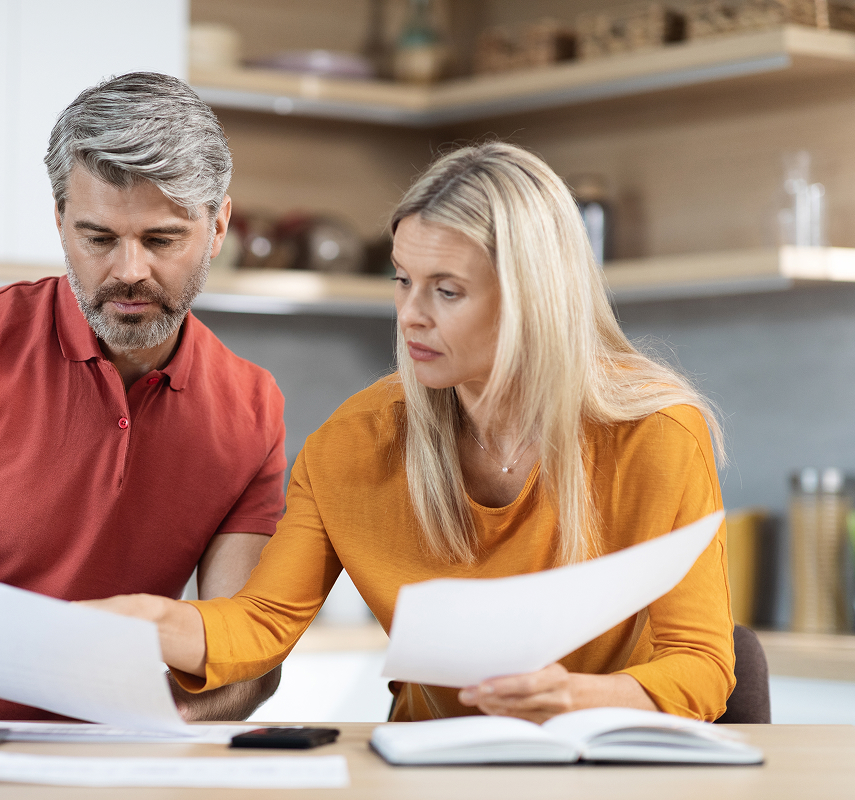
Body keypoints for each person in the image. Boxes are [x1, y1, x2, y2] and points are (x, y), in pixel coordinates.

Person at [85, 142, 736, 724]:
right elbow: (262, 623)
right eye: (403, 281)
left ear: (535, 299)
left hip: (603, 765)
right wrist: (149, 621)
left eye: (447, 291)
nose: (411, 317)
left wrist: (574, 697)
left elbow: (702, 668)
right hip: (427, 769)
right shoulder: (354, 442)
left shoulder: (655, 434)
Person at [0, 72, 285, 722]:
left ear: (218, 228)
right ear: (60, 221)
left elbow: (247, 655)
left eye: (161, 240)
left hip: (117, 751)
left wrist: (143, 720)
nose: (129, 271)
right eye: (98, 238)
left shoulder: (252, 408)